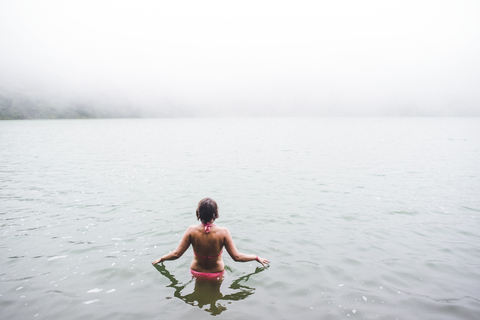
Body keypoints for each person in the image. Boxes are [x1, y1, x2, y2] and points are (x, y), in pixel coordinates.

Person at [152, 198, 269, 280]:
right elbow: (237, 257)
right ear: (216, 213)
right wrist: (256, 257)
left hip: (196, 272)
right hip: (216, 274)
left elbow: (176, 254)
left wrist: (162, 258)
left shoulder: (191, 230)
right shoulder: (223, 232)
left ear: (198, 213)